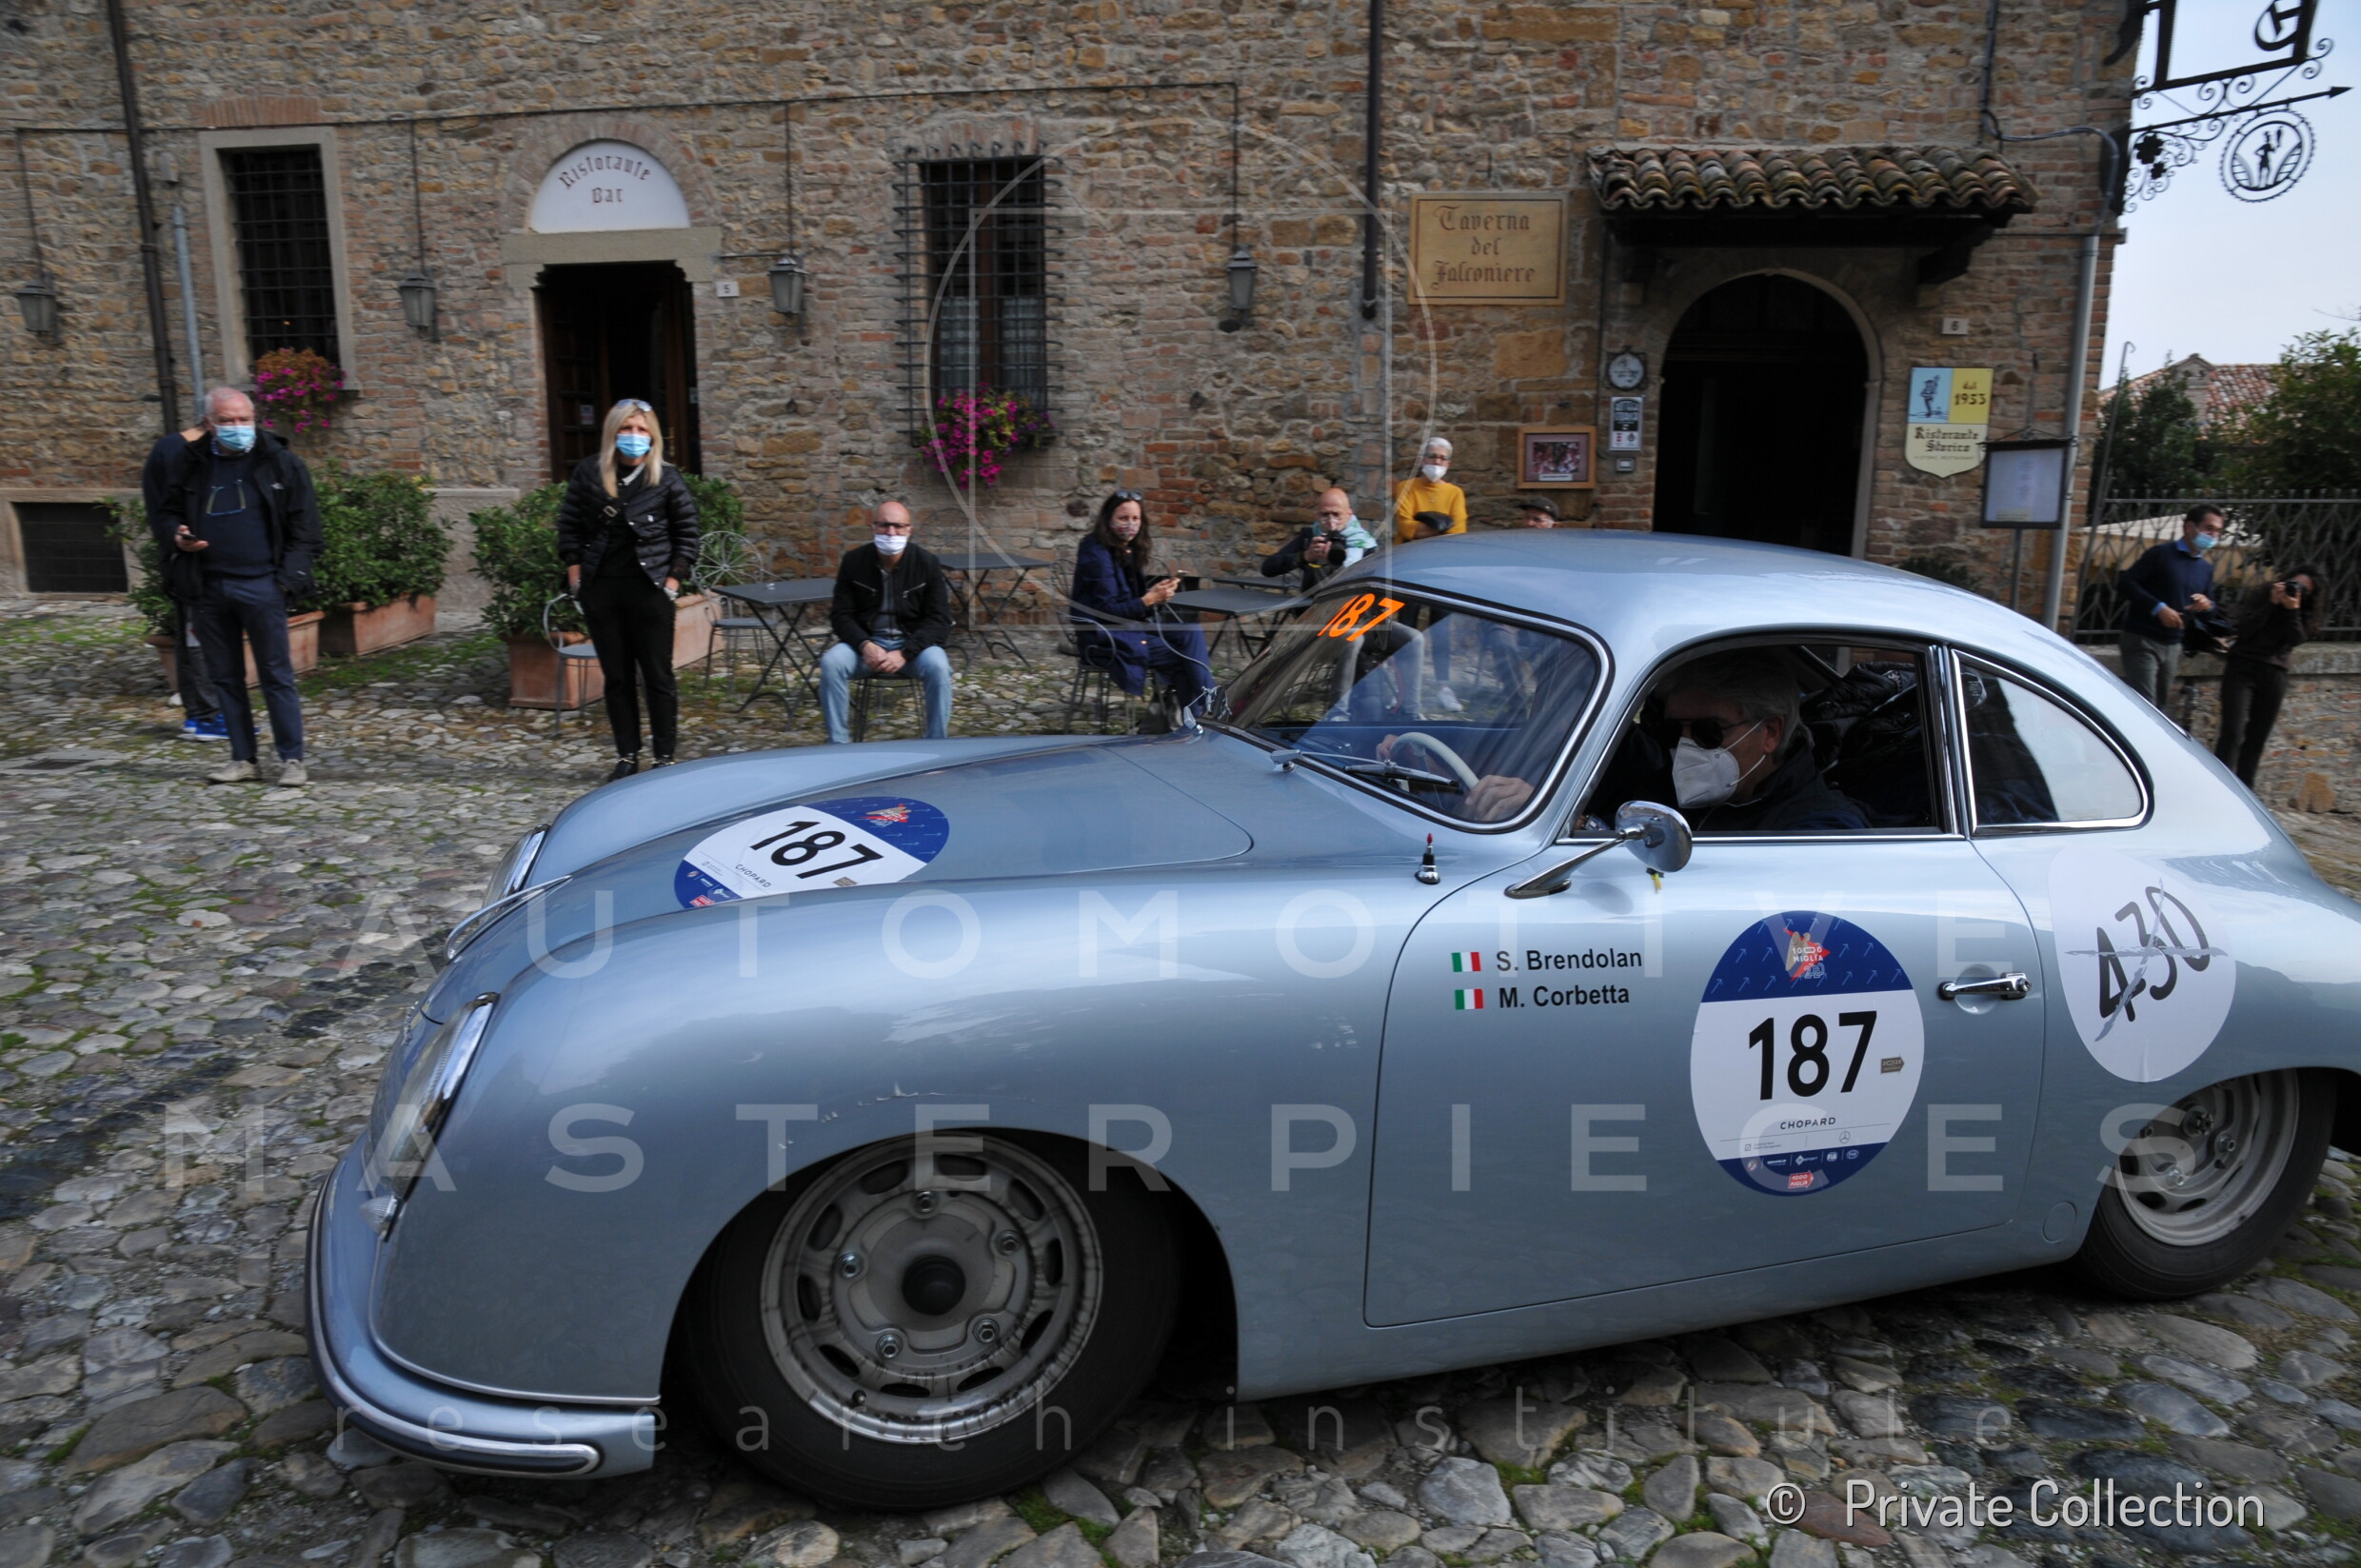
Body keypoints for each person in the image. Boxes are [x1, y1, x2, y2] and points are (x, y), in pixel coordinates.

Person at [155, 387, 321, 787]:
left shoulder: (279, 462)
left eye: (244, 419)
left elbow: (306, 527)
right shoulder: (190, 463)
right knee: (224, 676)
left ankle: (291, 758)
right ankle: (243, 757)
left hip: (263, 584)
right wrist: (176, 536)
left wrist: (286, 582)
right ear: (209, 423)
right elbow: (165, 511)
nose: (237, 427)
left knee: (276, 675)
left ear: (254, 419)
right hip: (208, 585)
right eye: (227, 420)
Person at [557, 399, 702, 781]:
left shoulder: (666, 478)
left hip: (650, 591)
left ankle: (664, 757)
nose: (633, 436)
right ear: (613, 432)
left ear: (652, 436)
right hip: (602, 590)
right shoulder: (590, 473)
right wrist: (576, 578)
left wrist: (672, 583)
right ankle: (627, 756)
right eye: (626, 428)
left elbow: (687, 534)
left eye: (641, 429)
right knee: (617, 677)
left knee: (658, 676)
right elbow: (570, 528)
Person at [1655, 651, 1865, 831]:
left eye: (1709, 731)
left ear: (1770, 732)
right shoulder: (1657, 794)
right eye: (1673, 731)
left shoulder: (1819, 830)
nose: (1685, 745)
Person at [1069, 490, 1213, 720]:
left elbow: (1131, 604)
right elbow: (1107, 612)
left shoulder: (1126, 549)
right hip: (1104, 637)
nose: (1131, 524)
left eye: (1135, 518)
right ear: (1108, 519)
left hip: (1129, 627)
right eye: (1123, 518)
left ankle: (1201, 714)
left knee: (1190, 630)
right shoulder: (1097, 553)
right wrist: (1148, 600)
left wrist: (1155, 595)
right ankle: (1205, 716)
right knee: (1186, 658)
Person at [821, 502, 955, 744]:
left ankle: (936, 743)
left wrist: (906, 652)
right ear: (873, 527)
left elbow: (939, 619)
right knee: (832, 663)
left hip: (912, 647)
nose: (891, 533)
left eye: (898, 526)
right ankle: (837, 745)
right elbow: (841, 615)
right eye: (884, 525)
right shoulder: (854, 561)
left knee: (939, 667)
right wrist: (865, 645)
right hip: (867, 645)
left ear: (909, 530)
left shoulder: (927, 563)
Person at [141, 420, 228, 742]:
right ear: (212, 421)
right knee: (200, 637)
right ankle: (209, 716)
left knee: (193, 636)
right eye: (230, 420)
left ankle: (198, 715)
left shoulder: (170, 448)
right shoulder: (183, 452)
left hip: (184, 559)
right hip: (191, 561)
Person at [2214, 566, 2322, 787]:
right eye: (2293, 583)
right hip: (2243, 666)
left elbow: (2295, 639)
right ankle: (2218, 786)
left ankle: (2246, 792)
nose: (2295, 589)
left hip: (2275, 673)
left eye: (2302, 589)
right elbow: (2244, 628)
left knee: (2257, 738)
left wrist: (2292, 610)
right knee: (2233, 732)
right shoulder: (2263, 594)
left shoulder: (2304, 611)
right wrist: (2271, 603)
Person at [2115, 505, 2221, 709]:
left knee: (2159, 710)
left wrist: (2206, 605)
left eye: (2218, 531)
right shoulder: (2161, 554)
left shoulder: (2205, 569)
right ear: (2189, 527)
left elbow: (2211, 611)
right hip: (2142, 639)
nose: (2213, 535)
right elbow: (2126, 583)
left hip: (2173, 644)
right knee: (2145, 706)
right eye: (2209, 528)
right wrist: (2158, 608)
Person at [1260, 487, 1379, 592]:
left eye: (1336, 514)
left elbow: (1374, 587)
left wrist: (1340, 562)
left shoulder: (1365, 544)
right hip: (1311, 606)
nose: (1331, 522)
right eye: (1325, 515)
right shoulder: (1310, 537)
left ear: (1349, 514)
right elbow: (1267, 569)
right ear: (1317, 515)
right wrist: (1305, 556)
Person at [1392, 436, 1468, 545]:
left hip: (1442, 551)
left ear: (1448, 464)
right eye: (1432, 456)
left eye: (1443, 458)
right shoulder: (1406, 487)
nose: (1437, 461)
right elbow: (1406, 528)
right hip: (1408, 550)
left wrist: (1423, 527)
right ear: (1422, 460)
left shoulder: (1455, 493)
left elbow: (1458, 533)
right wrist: (1443, 527)